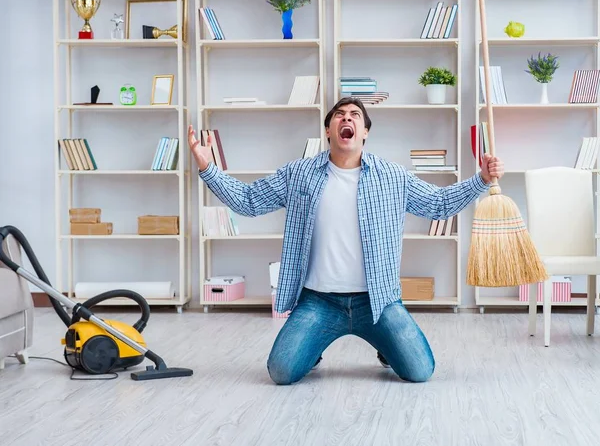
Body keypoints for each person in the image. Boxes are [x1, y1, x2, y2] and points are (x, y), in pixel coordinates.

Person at [188, 96, 504, 385]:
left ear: (365, 132)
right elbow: (249, 200)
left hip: (377, 302)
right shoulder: (299, 175)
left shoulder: (392, 177)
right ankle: (315, 346)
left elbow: (438, 204)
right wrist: (206, 166)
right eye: (339, 115)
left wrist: (482, 179)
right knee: (281, 372)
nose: (346, 119)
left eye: (355, 115)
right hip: (319, 301)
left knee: (420, 371)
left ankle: (386, 347)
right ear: (329, 130)